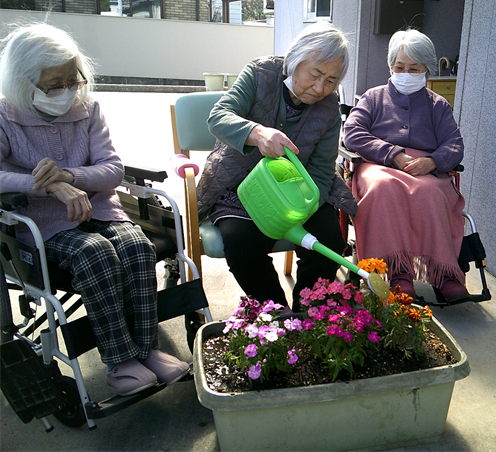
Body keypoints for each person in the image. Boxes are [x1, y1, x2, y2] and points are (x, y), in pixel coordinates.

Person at [0, 23, 189, 396]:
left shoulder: (88, 109)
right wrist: (47, 184)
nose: (69, 90)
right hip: (42, 223)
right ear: (25, 84)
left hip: (103, 209)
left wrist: (70, 175)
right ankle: (120, 363)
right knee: (96, 254)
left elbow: (113, 168)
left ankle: (146, 351)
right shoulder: (6, 116)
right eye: (56, 83)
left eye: (75, 78)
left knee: (138, 247)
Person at [197, 22, 356, 311]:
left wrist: (297, 211)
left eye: (331, 80)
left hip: (296, 193)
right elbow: (218, 116)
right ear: (295, 59)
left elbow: (321, 172)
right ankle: (277, 316)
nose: (320, 88)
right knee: (241, 243)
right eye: (315, 74)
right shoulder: (259, 74)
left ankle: (310, 313)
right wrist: (257, 133)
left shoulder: (330, 109)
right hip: (239, 187)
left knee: (329, 240)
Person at [343, 29, 470, 304]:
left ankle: (445, 273)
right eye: (399, 67)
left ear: (426, 69)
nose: (406, 73)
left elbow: (455, 144)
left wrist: (433, 161)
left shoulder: (438, 105)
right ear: (390, 67)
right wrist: (393, 155)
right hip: (378, 165)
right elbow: (352, 133)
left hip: (426, 169)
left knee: (431, 194)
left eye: (414, 68)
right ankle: (398, 271)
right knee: (383, 188)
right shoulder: (373, 97)